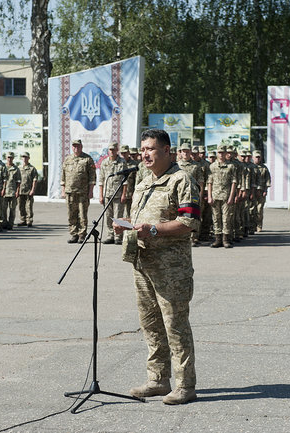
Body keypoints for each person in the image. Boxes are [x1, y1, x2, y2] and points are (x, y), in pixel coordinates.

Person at [113, 129, 200, 405]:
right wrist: (127, 223)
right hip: (143, 263)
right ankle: (158, 379)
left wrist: (153, 230)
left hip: (171, 269)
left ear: (166, 151)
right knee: (150, 324)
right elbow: (144, 217)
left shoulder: (181, 179)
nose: (144, 154)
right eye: (142, 149)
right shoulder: (143, 180)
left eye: (150, 149)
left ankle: (185, 385)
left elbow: (190, 222)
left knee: (175, 325)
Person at [61, 139, 96, 243]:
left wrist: (91, 191)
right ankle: (74, 234)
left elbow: (92, 177)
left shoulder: (87, 159)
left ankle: (82, 234)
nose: (76, 148)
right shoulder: (67, 160)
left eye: (78, 146)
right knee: (71, 214)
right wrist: (63, 190)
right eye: (74, 146)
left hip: (83, 193)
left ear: (81, 147)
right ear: (72, 147)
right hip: (69, 192)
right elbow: (63, 176)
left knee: (82, 215)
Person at [207, 144, 237, 248]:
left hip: (226, 196)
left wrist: (231, 197)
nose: (221, 155)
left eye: (223, 153)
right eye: (219, 153)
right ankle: (217, 239)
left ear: (226, 154)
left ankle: (225, 240)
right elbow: (209, 182)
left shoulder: (231, 166)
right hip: (215, 196)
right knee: (216, 218)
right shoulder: (212, 166)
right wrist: (209, 196)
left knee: (226, 218)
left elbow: (234, 182)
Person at [99, 142, 128, 244]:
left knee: (118, 216)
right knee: (108, 216)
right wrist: (101, 195)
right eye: (110, 150)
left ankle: (118, 237)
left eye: (113, 150)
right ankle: (110, 235)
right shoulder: (104, 162)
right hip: (107, 194)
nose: (111, 152)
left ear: (117, 150)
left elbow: (125, 180)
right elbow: (101, 180)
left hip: (118, 194)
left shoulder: (122, 162)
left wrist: (124, 194)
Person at [176, 143, 204, 246]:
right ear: (181, 152)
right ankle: (181, 236)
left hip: (193, 195)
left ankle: (194, 238)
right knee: (180, 215)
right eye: (183, 151)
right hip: (179, 194)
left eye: (187, 151)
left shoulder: (196, 166)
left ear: (190, 152)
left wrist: (200, 195)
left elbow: (200, 181)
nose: (185, 153)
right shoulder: (177, 165)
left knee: (193, 215)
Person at [17, 151, 38, 227]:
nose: (24, 158)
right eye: (23, 157)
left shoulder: (32, 169)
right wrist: (17, 190)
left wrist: (33, 190)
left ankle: (29, 220)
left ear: (28, 158)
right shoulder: (19, 168)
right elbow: (17, 180)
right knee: (21, 206)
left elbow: (35, 180)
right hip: (20, 190)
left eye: (26, 157)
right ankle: (23, 220)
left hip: (28, 190)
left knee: (28, 206)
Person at [252, 150, 271, 233]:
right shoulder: (250, 167)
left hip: (261, 192)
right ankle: (252, 226)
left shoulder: (264, 168)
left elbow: (268, 180)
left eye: (259, 157)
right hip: (252, 192)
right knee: (251, 209)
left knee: (259, 210)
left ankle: (259, 225)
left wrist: (265, 190)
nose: (257, 159)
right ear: (253, 158)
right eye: (256, 157)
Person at [2, 151, 21, 230]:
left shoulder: (16, 169)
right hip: (4, 192)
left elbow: (18, 181)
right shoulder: (3, 168)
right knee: (3, 209)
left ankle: (10, 224)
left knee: (12, 209)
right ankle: (4, 223)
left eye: (11, 157)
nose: (9, 159)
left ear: (13, 158)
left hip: (12, 192)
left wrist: (17, 191)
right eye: (8, 157)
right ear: (6, 158)